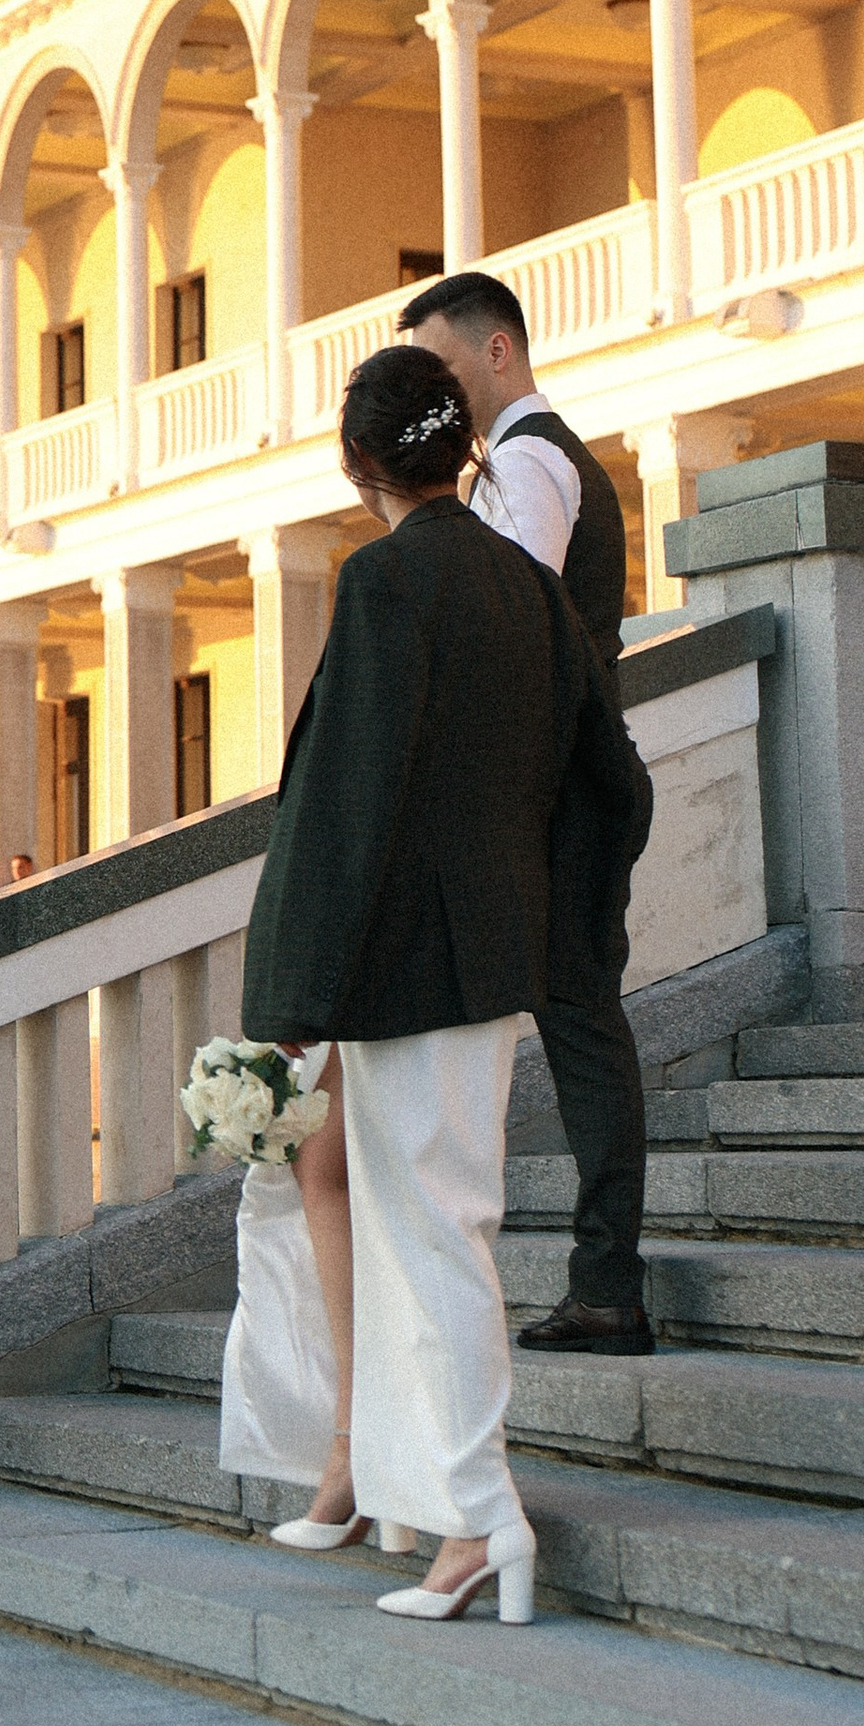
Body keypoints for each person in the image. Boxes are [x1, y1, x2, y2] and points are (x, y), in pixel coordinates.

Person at [240, 341, 650, 1621]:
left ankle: (477, 1520)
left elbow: (343, 808)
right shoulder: (521, 586)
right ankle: (435, 1503)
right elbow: (614, 780)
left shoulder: (385, 584)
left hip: (401, 965)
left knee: (433, 1240)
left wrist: (289, 1013)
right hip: (490, 956)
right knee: (443, 1228)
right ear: (457, 442)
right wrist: (558, 917)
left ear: (357, 460)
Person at [401, 268, 655, 1360]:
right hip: (567, 785)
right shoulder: (520, 460)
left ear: (496, 352)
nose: (438, 392)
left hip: (565, 791)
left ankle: (607, 1286)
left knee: (584, 1027)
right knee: (578, 1024)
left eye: (445, 365)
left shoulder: (530, 460)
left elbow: (510, 630)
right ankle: (601, 1283)